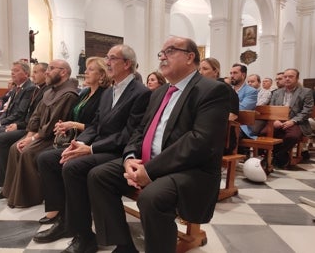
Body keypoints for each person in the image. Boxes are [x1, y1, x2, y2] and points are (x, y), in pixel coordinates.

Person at [87, 36, 230, 253]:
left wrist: (150, 170)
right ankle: (124, 245)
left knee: (152, 198)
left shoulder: (212, 91)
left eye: (170, 51)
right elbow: (140, 130)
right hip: (149, 161)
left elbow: (199, 141)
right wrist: (129, 158)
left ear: (190, 57)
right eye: (161, 53)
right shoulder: (160, 92)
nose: (162, 56)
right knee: (99, 176)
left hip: (190, 169)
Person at [32, 44, 151, 253]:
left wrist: (92, 148)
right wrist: (78, 143)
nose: (107, 62)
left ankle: (84, 235)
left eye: (112, 58)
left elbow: (129, 134)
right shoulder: (110, 92)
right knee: (48, 159)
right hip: (98, 146)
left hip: (117, 151)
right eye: (107, 58)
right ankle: (64, 218)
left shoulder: (140, 93)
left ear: (127, 63)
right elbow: (96, 125)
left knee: (72, 167)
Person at [36, 56, 111, 224]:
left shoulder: (105, 95)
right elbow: (74, 115)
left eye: (91, 69)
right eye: (86, 68)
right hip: (78, 138)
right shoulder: (85, 93)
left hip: (92, 141)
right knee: (43, 157)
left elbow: (98, 126)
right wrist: (65, 125)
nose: (86, 72)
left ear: (101, 75)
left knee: (52, 160)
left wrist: (75, 125)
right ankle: (56, 207)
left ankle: (67, 213)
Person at [1, 59, 79, 208]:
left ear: (63, 72)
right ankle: (11, 191)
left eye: (51, 68)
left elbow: (53, 124)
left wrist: (33, 139)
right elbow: (36, 115)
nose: (47, 72)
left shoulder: (69, 94)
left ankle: (28, 197)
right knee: (14, 147)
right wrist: (30, 135)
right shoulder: (50, 91)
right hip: (39, 134)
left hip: (53, 137)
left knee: (27, 151)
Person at [0, 62, 52, 200]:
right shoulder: (37, 89)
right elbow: (30, 114)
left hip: (31, 129)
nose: (33, 75)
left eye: (36, 72)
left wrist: (21, 128)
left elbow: (36, 118)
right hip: (27, 127)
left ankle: (7, 182)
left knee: (0, 139)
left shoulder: (41, 90)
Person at [270, 68, 313, 168]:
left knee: (292, 136)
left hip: (297, 122)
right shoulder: (277, 92)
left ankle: (279, 154)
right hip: (278, 121)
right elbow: (271, 108)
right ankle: (280, 155)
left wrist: (293, 121)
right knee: (263, 132)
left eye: (290, 76)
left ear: (297, 78)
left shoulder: (306, 92)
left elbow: (307, 111)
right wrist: (275, 120)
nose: (287, 79)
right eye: (285, 77)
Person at [230, 64, 258, 139]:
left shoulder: (251, 91)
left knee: (226, 133)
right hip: (226, 121)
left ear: (243, 75)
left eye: (235, 73)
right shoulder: (227, 89)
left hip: (242, 125)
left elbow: (241, 109)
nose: (232, 76)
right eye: (231, 73)